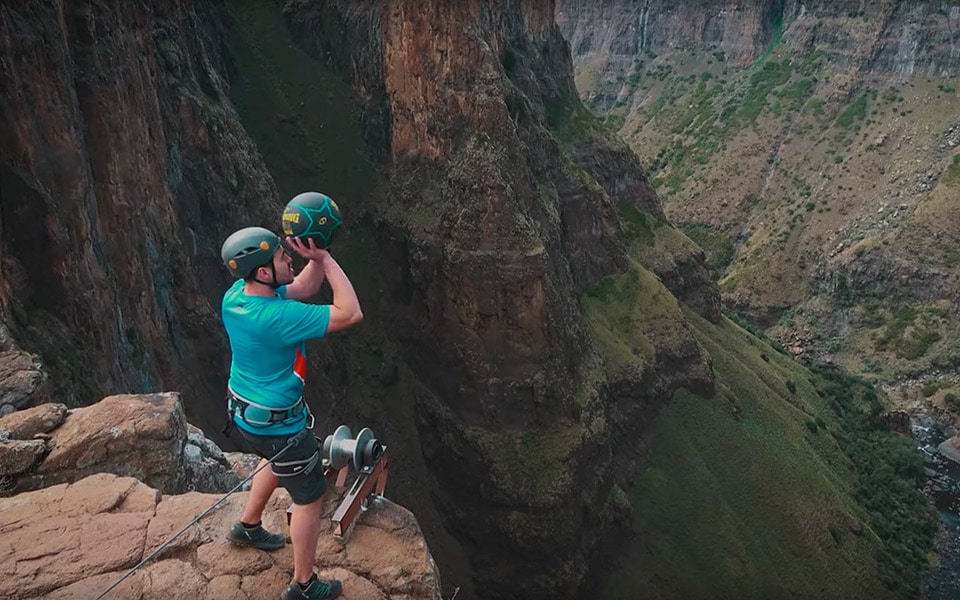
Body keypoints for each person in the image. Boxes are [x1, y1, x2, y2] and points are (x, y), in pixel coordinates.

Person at [219, 225, 363, 600]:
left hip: (242, 415)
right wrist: (328, 260)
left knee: (271, 460)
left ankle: (248, 526)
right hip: (281, 428)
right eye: (284, 258)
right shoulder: (280, 317)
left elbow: (302, 287)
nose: (291, 260)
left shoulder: (236, 295)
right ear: (264, 273)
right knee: (308, 498)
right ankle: (304, 584)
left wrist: (314, 256)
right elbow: (350, 314)